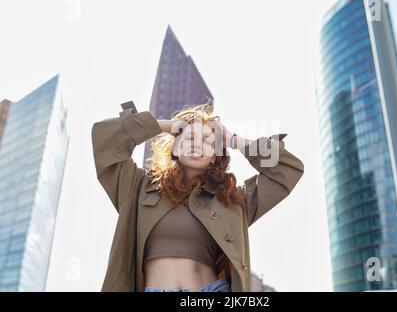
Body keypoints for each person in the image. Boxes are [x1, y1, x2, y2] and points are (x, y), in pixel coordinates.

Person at [91, 98, 304, 292]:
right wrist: (166, 125)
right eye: (189, 137)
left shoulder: (232, 200)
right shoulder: (137, 188)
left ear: (215, 157)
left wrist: (233, 140)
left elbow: (286, 170)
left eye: (209, 142)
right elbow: (106, 140)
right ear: (175, 146)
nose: (197, 144)